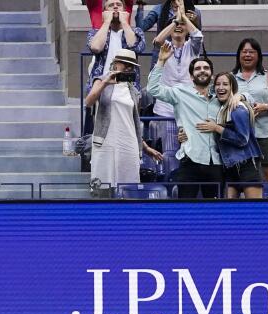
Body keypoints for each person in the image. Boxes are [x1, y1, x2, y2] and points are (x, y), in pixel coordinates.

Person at [84, 48, 162, 197]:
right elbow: (88, 101)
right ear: (115, 63)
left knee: (128, 187)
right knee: (103, 186)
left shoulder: (133, 90)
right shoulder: (100, 80)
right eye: (124, 63)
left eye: (131, 65)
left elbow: (133, 122)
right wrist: (106, 82)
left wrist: (146, 148)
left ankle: (128, 218)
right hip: (105, 141)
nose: (128, 67)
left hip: (128, 142)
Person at [148, 45, 220, 198]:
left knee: (216, 211)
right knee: (186, 210)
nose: (202, 70)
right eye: (198, 68)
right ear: (192, 76)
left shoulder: (221, 95)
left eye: (206, 68)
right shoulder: (180, 92)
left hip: (216, 162)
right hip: (190, 161)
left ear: (212, 75)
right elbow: (153, 89)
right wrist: (161, 61)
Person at [145, 4, 202, 163]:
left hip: (188, 110)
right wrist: (175, 21)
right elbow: (157, 40)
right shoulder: (165, 47)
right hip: (166, 110)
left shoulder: (192, 47)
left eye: (182, 25)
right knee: (170, 154)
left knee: (190, 153)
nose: (179, 27)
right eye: (176, 25)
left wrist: (183, 18)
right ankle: (172, 186)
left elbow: (197, 35)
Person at [194, 72, 261, 199]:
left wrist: (216, 128)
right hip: (230, 167)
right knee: (230, 212)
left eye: (225, 84)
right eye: (218, 84)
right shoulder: (221, 106)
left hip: (246, 165)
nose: (221, 87)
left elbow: (242, 139)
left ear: (232, 87)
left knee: (255, 211)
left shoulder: (237, 108)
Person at [232, 38, 268, 183]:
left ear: (258, 55)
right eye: (244, 51)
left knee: (264, 174)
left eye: (251, 52)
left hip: (264, 132)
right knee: (238, 172)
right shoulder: (230, 77)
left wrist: (265, 107)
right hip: (239, 134)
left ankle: (264, 204)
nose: (247, 55)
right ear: (239, 55)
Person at [87, 0, 144, 86]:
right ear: (104, 12)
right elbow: (96, 48)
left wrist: (124, 21)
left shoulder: (136, 32)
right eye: (111, 5)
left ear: (125, 11)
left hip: (127, 87)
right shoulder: (95, 33)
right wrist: (106, 22)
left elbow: (135, 47)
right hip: (101, 85)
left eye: (118, 5)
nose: (115, 7)